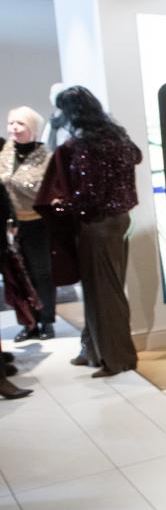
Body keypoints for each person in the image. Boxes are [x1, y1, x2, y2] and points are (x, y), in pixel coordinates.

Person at [52, 87, 142, 377]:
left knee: (104, 292)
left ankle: (118, 358)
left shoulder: (86, 144)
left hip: (97, 223)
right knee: (102, 289)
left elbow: (89, 194)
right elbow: (137, 156)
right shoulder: (116, 137)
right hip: (118, 219)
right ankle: (92, 350)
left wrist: (64, 206)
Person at [2, 106, 55, 340]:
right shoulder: (4, 152)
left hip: (38, 222)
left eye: (20, 123)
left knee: (42, 273)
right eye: (11, 123)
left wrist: (15, 182)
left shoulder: (46, 157)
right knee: (18, 275)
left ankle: (47, 321)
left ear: (32, 128)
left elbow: (45, 191)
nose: (14, 128)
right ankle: (28, 322)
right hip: (10, 224)